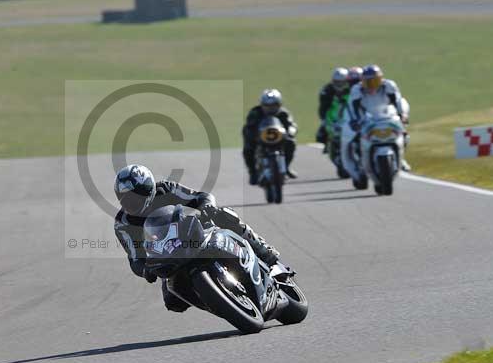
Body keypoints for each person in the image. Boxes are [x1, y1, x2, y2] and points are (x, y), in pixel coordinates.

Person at [114, 164, 282, 312]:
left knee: (225, 214)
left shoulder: (167, 189)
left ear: (148, 190)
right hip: (168, 257)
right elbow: (135, 258)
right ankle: (218, 299)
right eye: (125, 198)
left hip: (195, 233)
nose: (130, 202)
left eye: (135, 196)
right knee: (173, 302)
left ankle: (263, 250)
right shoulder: (122, 224)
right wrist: (145, 271)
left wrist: (207, 206)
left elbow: (201, 196)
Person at [341, 64, 410, 180]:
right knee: (353, 141)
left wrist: (402, 114)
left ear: (381, 79)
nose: (372, 85)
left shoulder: (389, 85)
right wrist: (354, 121)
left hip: (386, 117)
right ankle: (357, 165)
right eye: (368, 82)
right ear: (362, 81)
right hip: (366, 120)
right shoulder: (357, 90)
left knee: (404, 135)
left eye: (375, 81)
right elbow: (352, 108)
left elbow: (398, 100)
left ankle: (402, 159)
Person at [242, 89, 298, 185]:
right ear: (262, 104)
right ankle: (252, 172)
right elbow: (248, 126)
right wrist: (251, 135)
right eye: (267, 106)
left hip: (279, 138)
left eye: (274, 105)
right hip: (260, 138)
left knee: (291, 143)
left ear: (279, 105)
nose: (270, 108)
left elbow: (291, 125)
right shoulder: (255, 113)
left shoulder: (283, 113)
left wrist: (291, 132)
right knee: (248, 149)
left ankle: (286, 167)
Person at [315, 68, 350, 153]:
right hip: (334, 116)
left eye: (341, 82)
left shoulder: (352, 90)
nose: (339, 84)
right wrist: (325, 120)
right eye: (337, 82)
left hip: (348, 116)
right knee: (320, 136)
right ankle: (329, 145)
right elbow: (323, 108)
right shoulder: (327, 91)